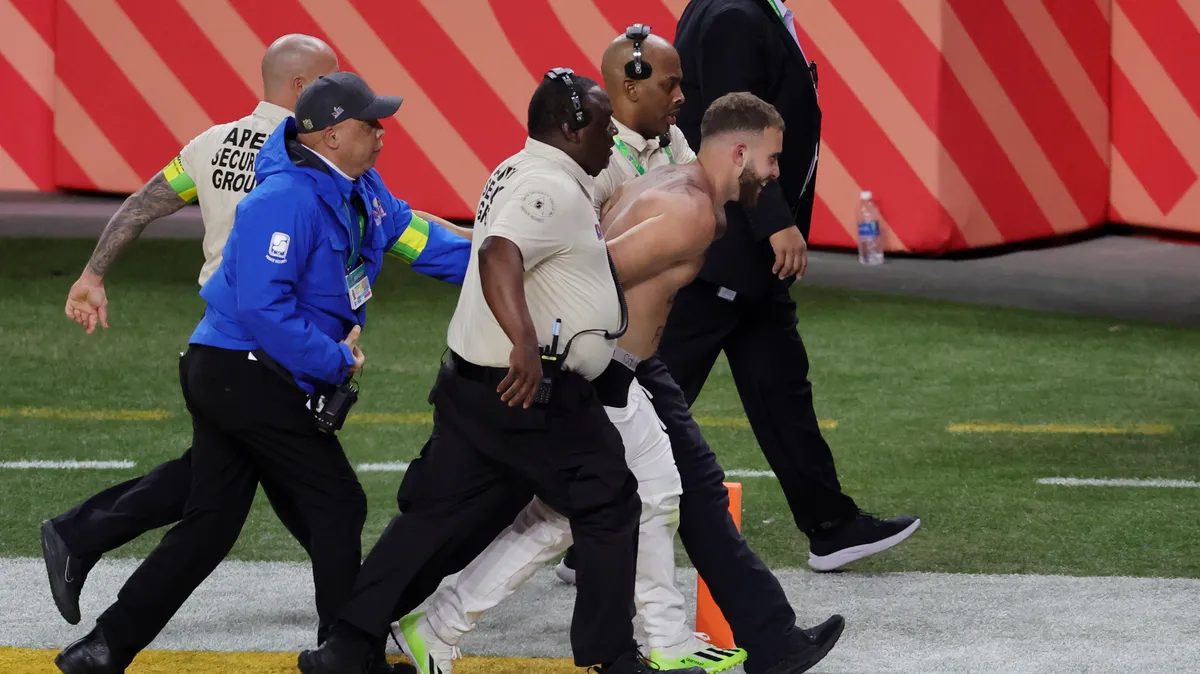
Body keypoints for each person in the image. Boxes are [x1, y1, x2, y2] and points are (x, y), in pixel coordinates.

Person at [396, 93, 846, 674]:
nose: (777, 173)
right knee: (564, 515)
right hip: (600, 373)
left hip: (613, 373)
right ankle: (436, 624)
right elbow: (588, 275)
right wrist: (549, 354)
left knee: (658, 493)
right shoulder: (693, 212)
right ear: (740, 153)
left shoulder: (678, 181)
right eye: (774, 159)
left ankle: (665, 637)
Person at [44, 34, 464, 655]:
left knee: (212, 521)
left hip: (248, 367)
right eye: (371, 122)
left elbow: (431, 243)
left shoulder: (362, 191)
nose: (383, 132)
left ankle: (102, 648)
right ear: (329, 133)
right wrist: (333, 359)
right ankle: (346, 652)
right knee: (338, 504)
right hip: (244, 369)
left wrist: (509, 256)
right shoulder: (284, 197)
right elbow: (262, 310)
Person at [297, 69, 703, 674]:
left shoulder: (523, 169)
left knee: (439, 517)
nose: (609, 139)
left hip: (474, 384)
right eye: (600, 127)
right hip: (529, 389)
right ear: (570, 130)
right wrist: (522, 342)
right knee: (612, 498)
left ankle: (349, 645)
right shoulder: (550, 187)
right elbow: (498, 252)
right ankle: (613, 656)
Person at [668, 0, 920, 571]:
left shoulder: (735, 7)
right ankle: (580, 533)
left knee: (780, 388)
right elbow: (737, 134)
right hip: (728, 247)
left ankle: (831, 524)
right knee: (655, 396)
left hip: (738, 253)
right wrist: (775, 220)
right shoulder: (735, 14)